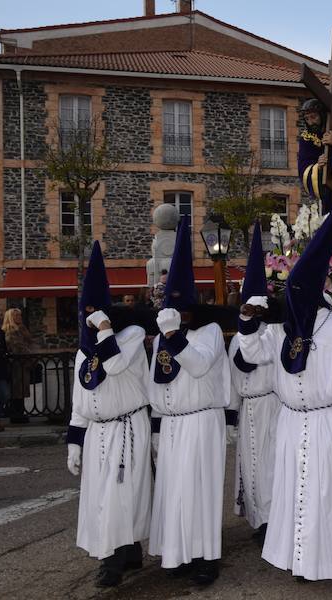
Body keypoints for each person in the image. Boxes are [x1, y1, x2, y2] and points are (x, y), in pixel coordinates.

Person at [238, 198, 332, 595]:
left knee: (331, 494)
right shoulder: (280, 332)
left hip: (328, 423)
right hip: (290, 420)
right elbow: (250, 354)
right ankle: (301, 557)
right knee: (295, 492)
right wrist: (247, 319)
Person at [148, 217, 231, 586]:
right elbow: (156, 381)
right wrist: (155, 422)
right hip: (172, 423)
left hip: (200, 420)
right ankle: (179, 552)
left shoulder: (208, 332)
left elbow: (197, 367)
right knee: (175, 491)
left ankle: (206, 557)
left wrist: (172, 336)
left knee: (200, 490)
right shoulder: (162, 338)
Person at [66, 241, 152, 587]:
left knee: (120, 495)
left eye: (95, 311)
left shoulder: (130, 336)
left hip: (126, 427)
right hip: (97, 431)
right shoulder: (81, 353)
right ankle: (128, 551)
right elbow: (79, 399)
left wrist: (104, 330)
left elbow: (114, 365)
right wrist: (74, 443)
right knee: (103, 497)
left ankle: (112, 563)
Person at [226, 222, 281, 543]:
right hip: (249, 408)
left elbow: (259, 359)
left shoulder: (273, 335)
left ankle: (274, 518)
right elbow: (233, 379)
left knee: (272, 463)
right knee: (252, 463)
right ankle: (259, 518)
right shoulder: (237, 340)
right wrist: (231, 415)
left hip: (271, 404)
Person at [2, 308, 35, 424]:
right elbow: (17, 348)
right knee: (17, 391)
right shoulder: (11, 331)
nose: (19, 318)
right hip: (17, 365)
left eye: (20, 315)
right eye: (16, 316)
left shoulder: (21, 329)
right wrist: (29, 353)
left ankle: (19, 412)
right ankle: (16, 414)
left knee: (20, 391)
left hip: (23, 365)